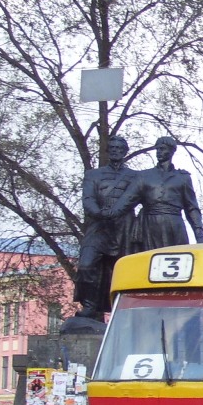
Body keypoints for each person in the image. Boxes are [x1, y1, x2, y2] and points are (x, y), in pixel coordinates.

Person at [74, 135, 139, 318]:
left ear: (125, 151)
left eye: (119, 148)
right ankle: (89, 305)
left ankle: (123, 307)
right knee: (86, 265)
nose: (116, 151)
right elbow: (88, 199)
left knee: (123, 271)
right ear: (108, 151)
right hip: (99, 226)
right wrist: (99, 213)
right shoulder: (93, 175)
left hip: (124, 228)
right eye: (112, 148)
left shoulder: (135, 176)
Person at [108, 136, 203, 249]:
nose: (159, 152)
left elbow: (192, 208)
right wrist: (108, 213)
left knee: (177, 255)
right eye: (157, 149)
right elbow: (127, 199)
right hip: (150, 225)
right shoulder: (144, 176)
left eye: (162, 149)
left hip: (175, 225)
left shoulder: (183, 178)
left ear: (172, 151)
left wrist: (199, 236)